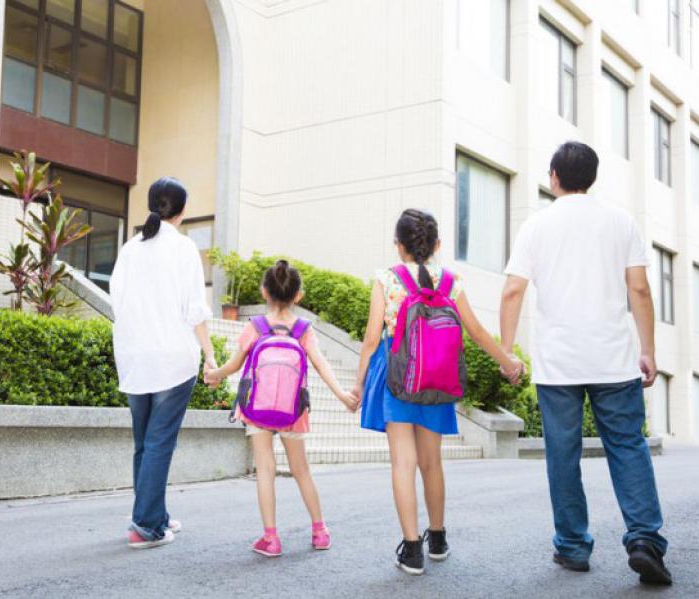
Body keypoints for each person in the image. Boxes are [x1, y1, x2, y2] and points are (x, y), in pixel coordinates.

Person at [499, 141, 672, 585]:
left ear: (554, 175)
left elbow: (512, 291)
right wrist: (648, 350)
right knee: (628, 446)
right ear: (591, 178)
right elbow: (640, 291)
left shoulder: (536, 226)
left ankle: (573, 547)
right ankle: (644, 539)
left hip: (559, 364)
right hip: (613, 359)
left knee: (562, 453)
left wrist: (506, 351)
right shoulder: (621, 222)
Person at [353, 209, 524, 575]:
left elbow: (370, 340)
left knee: (403, 462)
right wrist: (507, 361)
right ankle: (438, 537)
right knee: (432, 462)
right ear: (437, 246)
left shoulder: (387, 279)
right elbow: (476, 332)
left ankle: (411, 549)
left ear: (399, 245)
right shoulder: (451, 281)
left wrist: (358, 382)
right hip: (437, 379)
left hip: (399, 379)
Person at [205, 260, 358, 557]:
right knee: (301, 470)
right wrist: (341, 394)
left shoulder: (255, 327)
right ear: (298, 295)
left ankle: (271, 539)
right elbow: (320, 364)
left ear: (264, 291)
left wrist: (213, 375)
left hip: (256, 410)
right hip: (293, 410)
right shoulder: (303, 329)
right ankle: (320, 531)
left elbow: (234, 365)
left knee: (266, 469)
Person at [110, 177, 216, 549]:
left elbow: (116, 301)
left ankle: (152, 514)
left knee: (145, 442)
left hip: (134, 358)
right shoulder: (185, 249)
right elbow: (195, 311)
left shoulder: (129, 249)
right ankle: (145, 526)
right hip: (172, 358)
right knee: (159, 443)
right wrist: (210, 354)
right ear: (182, 210)